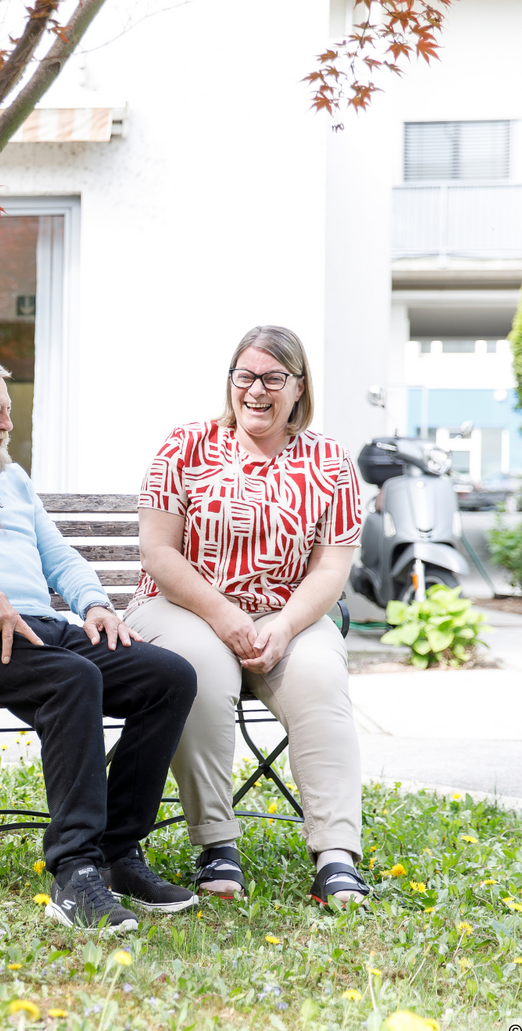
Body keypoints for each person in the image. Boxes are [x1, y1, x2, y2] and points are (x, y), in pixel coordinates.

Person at [0, 352, 199, 933]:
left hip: (41, 630)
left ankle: (118, 855)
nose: (8, 423)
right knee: (75, 680)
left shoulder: (11, 477)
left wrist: (94, 603)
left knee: (168, 678)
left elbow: (57, 555)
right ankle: (75, 874)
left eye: (7, 411)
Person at [125, 325, 369, 907]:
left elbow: (331, 571)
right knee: (200, 668)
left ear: (298, 386)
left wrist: (282, 626)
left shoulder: (331, 461)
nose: (256, 391)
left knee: (319, 676)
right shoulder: (186, 446)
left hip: (289, 615)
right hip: (181, 605)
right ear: (230, 382)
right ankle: (216, 843)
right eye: (245, 377)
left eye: (272, 379)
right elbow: (158, 553)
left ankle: (336, 854)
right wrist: (225, 615)